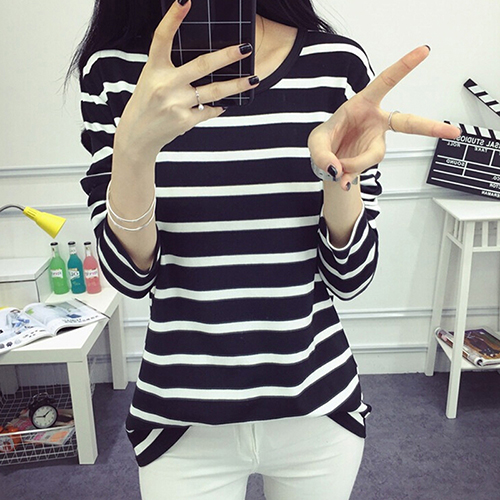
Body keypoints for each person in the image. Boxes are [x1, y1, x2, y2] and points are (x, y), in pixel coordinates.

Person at [72, 0, 460, 498]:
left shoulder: (334, 65)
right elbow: (130, 277)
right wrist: (133, 149)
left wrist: (339, 175)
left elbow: (350, 278)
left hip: (318, 408)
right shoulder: (115, 74)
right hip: (182, 420)